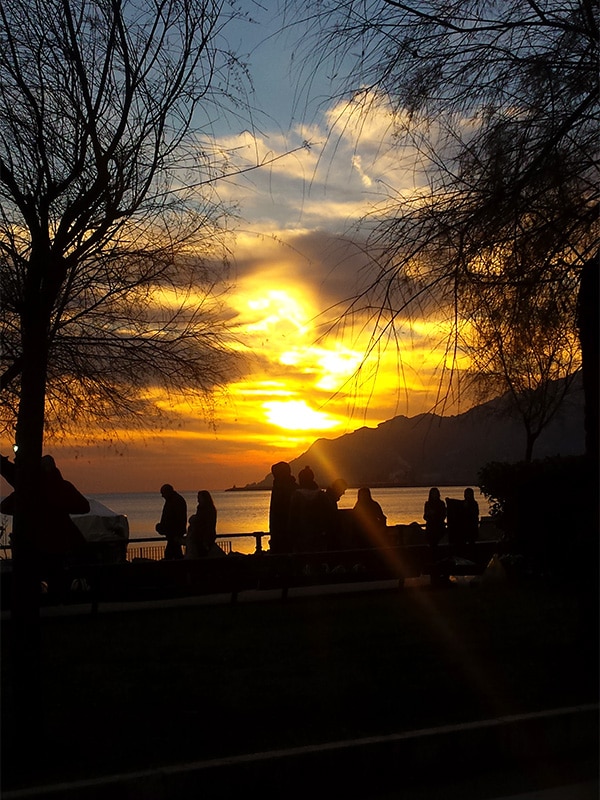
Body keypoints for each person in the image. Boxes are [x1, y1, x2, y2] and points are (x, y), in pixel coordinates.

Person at [288, 465, 322, 552]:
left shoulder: (297, 496)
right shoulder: (321, 495)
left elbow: (293, 517)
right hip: (318, 534)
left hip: (301, 535)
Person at [268, 461, 296, 554]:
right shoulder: (288, 487)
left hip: (284, 535)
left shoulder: (281, 488)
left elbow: (276, 514)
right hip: (281, 535)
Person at [155, 483, 187, 560]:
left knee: (170, 554)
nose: (162, 496)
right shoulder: (173, 500)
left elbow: (177, 519)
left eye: (163, 493)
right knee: (175, 553)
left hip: (174, 533)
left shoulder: (175, 501)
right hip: (173, 533)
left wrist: (163, 528)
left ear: (168, 492)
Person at [317, 478, 348, 551]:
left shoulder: (328, 498)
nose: (343, 493)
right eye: (343, 490)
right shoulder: (329, 501)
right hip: (327, 536)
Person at [185, 490, 217, 559]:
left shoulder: (205, 509)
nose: (198, 500)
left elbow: (206, 524)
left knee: (201, 555)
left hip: (202, 537)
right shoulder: (207, 509)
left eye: (199, 498)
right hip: (202, 537)